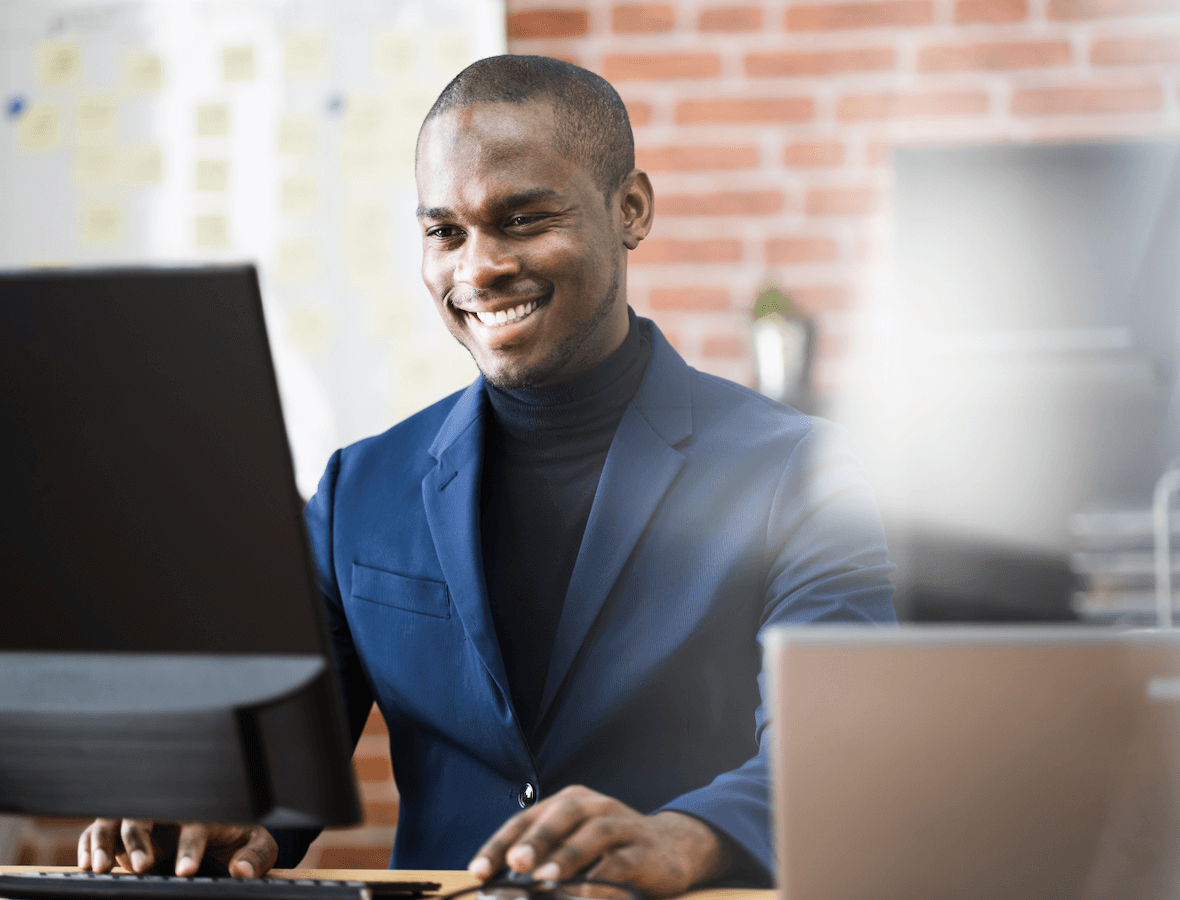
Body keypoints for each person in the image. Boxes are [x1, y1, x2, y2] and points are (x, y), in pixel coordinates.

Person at [77, 55, 896, 896]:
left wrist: (683, 838)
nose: (478, 269)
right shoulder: (361, 488)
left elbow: (839, 748)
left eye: (523, 218)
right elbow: (280, 764)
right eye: (444, 232)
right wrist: (215, 814)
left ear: (631, 210)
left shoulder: (800, 472)